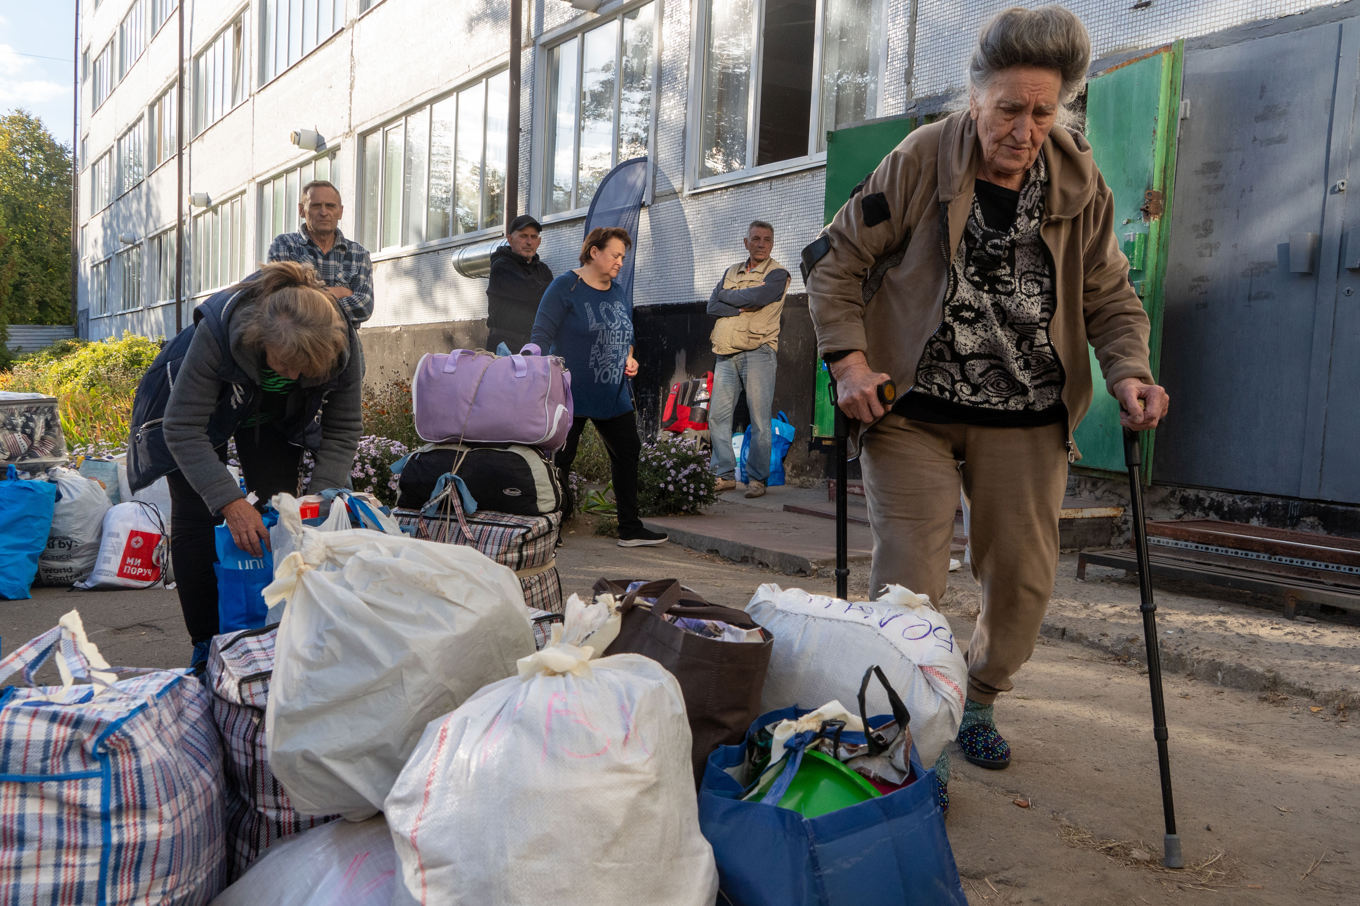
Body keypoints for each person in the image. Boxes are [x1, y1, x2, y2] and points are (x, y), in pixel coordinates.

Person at [804, 5, 1169, 805]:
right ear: (974, 98)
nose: (1024, 129)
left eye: (1043, 111)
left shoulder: (1080, 182)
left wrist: (1129, 373)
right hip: (912, 409)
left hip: (1028, 413)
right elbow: (836, 261)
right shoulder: (921, 158)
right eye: (1008, 109)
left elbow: (1109, 294)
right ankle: (908, 726)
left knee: (1023, 583)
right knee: (908, 584)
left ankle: (979, 698)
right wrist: (849, 362)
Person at [161, 261, 363, 668]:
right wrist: (230, 502)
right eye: (286, 365)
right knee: (199, 515)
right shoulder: (220, 332)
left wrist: (317, 501)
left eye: (306, 371)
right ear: (259, 339)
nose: (294, 374)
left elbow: (342, 430)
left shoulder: (342, 345)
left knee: (281, 516)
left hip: (271, 416)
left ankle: (272, 636)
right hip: (193, 408)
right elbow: (182, 428)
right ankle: (206, 645)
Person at [530, 227, 668, 548]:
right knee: (560, 460)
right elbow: (540, 335)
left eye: (623, 257)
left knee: (628, 452)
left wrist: (630, 358)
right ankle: (551, 528)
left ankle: (630, 528)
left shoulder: (617, 291)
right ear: (594, 252)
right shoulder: (565, 287)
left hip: (612, 393)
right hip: (570, 392)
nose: (620, 262)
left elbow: (627, 335)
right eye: (615, 255)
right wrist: (535, 376)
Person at [707, 220, 790, 499]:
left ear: (772, 244)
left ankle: (757, 479)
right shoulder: (731, 271)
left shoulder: (778, 274)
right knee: (718, 417)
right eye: (756, 238)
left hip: (759, 351)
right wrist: (741, 306)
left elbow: (760, 296)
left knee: (760, 419)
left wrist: (728, 298)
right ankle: (723, 475)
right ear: (746, 242)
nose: (761, 244)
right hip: (725, 351)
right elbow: (712, 305)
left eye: (767, 239)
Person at [267, 180, 374, 325]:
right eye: (316, 206)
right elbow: (280, 301)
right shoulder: (284, 245)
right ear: (301, 210)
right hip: (295, 339)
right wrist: (340, 292)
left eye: (330, 206)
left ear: (340, 212)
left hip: (343, 340)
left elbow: (364, 307)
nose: (324, 212)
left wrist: (306, 296)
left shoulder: (358, 254)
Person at [486, 214, 553, 353]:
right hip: (505, 346)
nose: (529, 242)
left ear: (539, 241)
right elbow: (533, 293)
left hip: (534, 344)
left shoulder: (543, 270)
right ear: (510, 239)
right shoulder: (501, 266)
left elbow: (552, 302)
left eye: (533, 237)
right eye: (523, 236)